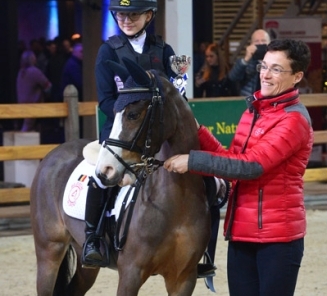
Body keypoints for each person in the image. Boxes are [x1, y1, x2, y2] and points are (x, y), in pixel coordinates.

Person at [164, 39, 313, 296]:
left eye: (276, 69)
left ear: (297, 76)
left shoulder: (294, 120)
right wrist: (196, 129)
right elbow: (230, 158)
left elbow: (250, 167)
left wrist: (192, 161)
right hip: (242, 235)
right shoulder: (253, 113)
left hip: (278, 240)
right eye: (263, 66)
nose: (265, 75)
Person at [82, 0, 176, 267]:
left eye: (132, 14)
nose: (126, 20)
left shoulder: (163, 49)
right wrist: (132, 117)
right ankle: (93, 238)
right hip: (121, 131)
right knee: (102, 177)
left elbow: (174, 91)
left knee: (194, 174)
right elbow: (105, 100)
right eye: (121, 15)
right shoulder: (108, 51)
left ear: (148, 15)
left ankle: (201, 245)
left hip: (157, 131)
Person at [16, 50, 52, 131]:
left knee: (26, 130)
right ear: (32, 59)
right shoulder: (34, 71)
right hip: (32, 105)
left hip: (20, 105)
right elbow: (48, 85)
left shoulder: (20, 72)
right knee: (27, 130)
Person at [228, 29, 271, 96]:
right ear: (251, 44)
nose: (260, 44)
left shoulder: (275, 63)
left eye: (263, 41)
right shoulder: (244, 62)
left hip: (270, 101)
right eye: (257, 41)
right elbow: (233, 77)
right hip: (249, 101)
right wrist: (246, 59)